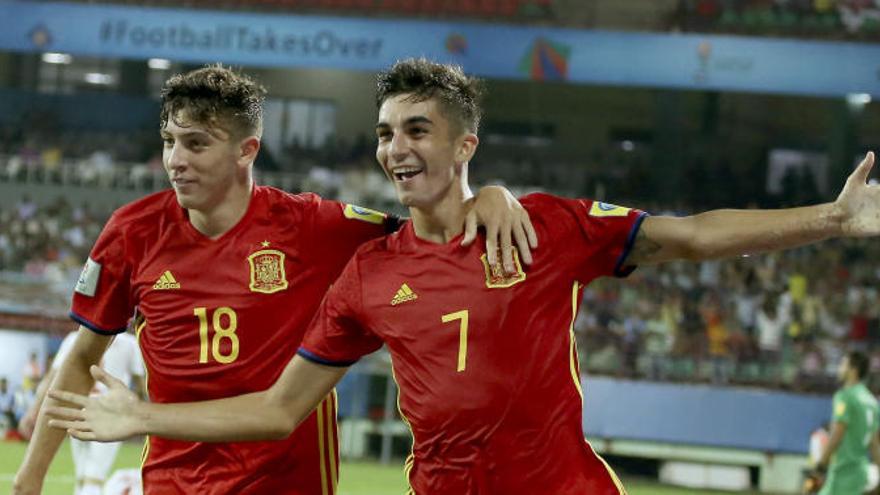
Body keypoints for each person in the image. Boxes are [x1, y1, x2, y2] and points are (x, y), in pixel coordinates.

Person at [46, 59, 880, 493]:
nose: (395, 148)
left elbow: (691, 237)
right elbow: (276, 410)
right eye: (384, 131)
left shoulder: (546, 227)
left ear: (465, 145)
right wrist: (140, 415)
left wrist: (830, 219)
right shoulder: (367, 275)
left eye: (417, 129)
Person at [13, 64, 534, 495]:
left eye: (196, 144)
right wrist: (28, 481)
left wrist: (491, 194)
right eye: (170, 142)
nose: (175, 161)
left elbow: (426, 229)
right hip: (173, 481)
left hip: (290, 483)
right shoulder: (133, 232)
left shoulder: (316, 227)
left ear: (247, 151)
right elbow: (82, 358)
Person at [22, 328, 144, 495]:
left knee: (82, 476)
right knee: (93, 478)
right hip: (110, 414)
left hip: (78, 410)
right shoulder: (129, 343)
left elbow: (53, 378)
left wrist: (33, 410)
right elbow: (141, 384)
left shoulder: (75, 338)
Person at [811, 351, 880, 494]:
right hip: (860, 472)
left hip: (843, 472)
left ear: (853, 370)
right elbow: (874, 443)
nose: (839, 368)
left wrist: (821, 465)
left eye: (843, 364)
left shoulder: (845, 396)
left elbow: (837, 434)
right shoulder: (872, 401)